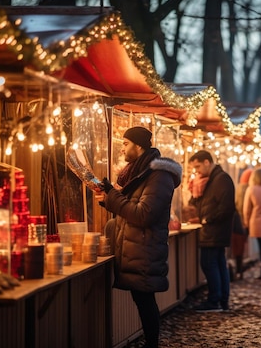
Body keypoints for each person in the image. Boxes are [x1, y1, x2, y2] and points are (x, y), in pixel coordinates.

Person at [97, 126, 182, 348]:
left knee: (145, 300)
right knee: (142, 299)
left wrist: (113, 196)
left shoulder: (159, 176)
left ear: (138, 146)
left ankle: (152, 344)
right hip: (136, 247)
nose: (122, 148)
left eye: (125, 144)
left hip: (145, 248)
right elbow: (131, 206)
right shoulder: (139, 173)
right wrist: (108, 196)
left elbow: (143, 214)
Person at [188, 150, 236, 312]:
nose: (197, 170)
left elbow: (227, 207)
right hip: (214, 230)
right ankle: (222, 301)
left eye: (198, 166)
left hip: (214, 230)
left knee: (209, 264)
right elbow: (203, 203)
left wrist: (208, 219)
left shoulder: (221, 179)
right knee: (219, 264)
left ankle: (214, 300)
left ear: (207, 162)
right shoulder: (212, 179)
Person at [233, 168, 253, 279]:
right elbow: (243, 208)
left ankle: (239, 270)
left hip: (238, 222)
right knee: (240, 247)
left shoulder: (240, 189)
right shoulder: (247, 190)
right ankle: (239, 269)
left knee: (238, 247)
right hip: (242, 222)